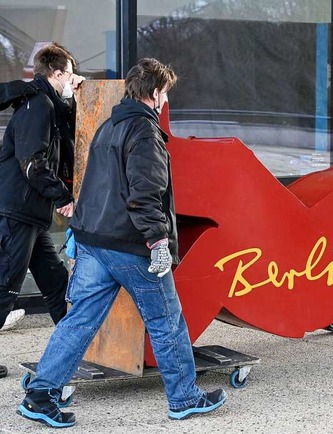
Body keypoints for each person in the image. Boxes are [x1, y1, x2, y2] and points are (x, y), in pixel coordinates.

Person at [17, 58, 227, 428]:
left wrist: (78, 230)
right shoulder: (144, 133)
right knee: (167, 323)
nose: (165, 101)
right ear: (156, 92)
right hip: (131, 246)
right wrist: (159, 241)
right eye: (165, 93)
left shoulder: (109, 126)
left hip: (93, 241)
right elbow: (145, 195)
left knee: (78, 321)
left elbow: (94, 186)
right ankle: (185, 398)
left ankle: (40, 394)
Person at [0, 43, 84, 376]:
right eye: (71, 72)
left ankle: (73, 352)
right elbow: (32, 163)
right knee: (5, 285)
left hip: (29, 214)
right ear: (57, 72)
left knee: (55, 283)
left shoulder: (50, 105)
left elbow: (69, 135)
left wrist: (76, 100)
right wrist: (63, 196)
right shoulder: (38, 105)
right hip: (16, 212)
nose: (74, 78)